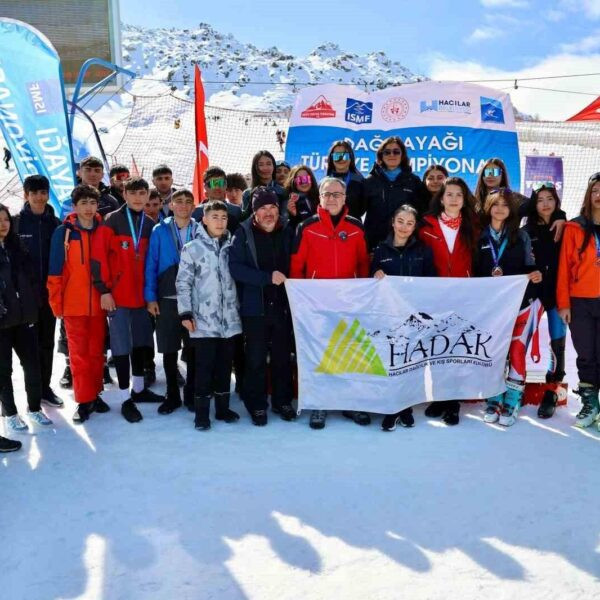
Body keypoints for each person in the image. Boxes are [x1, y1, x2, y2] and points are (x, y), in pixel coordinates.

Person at [290, 177, 370, 429]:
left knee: (349, 351)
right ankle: (318, 404)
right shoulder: (307, 226)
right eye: (327, 194)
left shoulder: (356, 227)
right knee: (318, 353)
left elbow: (363, 264)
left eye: (338, 194)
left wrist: (363, 295)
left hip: (348, 302)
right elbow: (296, 266)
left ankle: (350, 402)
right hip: (316, 304)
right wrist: (301, 299)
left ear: (345, 198)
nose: (332, 198)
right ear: (319, 198)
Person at [91, 176, 164, 423]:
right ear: (124, 194)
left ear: (147, 196)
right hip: (118, 296)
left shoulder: (150, 224)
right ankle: (124, 398)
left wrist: (152, 294)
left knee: (142, 343)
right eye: (132, 193)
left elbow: (153, 262)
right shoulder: (111, 221)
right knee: (121, 346)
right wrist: (104, 290)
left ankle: (139, 389)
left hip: (142, 296)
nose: (137, 198)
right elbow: (98, 258)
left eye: (142, 193)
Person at [475, 187, 543, 427]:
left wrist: (534, 274)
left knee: (515, 350)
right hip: (491, 308)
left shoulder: (520, 236)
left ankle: (512, 399)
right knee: (494, 351)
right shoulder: (479, 236)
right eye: (495, 204)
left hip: (519, 303)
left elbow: (530, 266)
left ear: (511, 210)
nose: (500, 209)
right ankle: (494, 398)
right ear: (488, 208)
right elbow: (474, 272)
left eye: (505, 205)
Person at [229, 187, 296, 426]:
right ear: (255, 212)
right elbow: (235, 267)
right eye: (263, 208)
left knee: (281, 356)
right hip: (254, 307)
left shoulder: (288, 230)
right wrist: (266, 278)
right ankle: (256, 403)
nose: (268, 213)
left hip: (282, 306)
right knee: (255, 358)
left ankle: (282, 400)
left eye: (273, 208)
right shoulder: (243, 232)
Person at [418, 177, 479, 425]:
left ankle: (453, 400)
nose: (453, 199)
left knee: (456, 347)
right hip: (434, 294)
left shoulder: (473, 226)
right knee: (436, 346)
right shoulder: (426, 225)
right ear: (441, 198)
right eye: (449, 194)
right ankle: (439, 396)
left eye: (459, 195)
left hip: (462, 294)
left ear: (465, 200)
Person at [176, 200, 242, 430]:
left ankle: (222, 409)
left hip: (229, 320)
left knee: (224, 366)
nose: (220, 222)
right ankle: (201, 414)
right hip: (203, 320)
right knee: (203, 368)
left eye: (223, 217)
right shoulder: (192, 248)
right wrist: (185, 312)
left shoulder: (233, 246)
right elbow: (183, 282)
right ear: (204, 219)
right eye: (214, 217)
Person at [47, 185, 110, 423]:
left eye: (92, 203)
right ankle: (84, 400)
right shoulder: (63, 233)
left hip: (99, 304)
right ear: (74, 207)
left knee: (97, 353)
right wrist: (57, 305)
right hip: (74, 305)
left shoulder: (102, 231)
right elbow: (54, 273)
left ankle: (95, 394)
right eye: (83, 203)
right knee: (79, 355)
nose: (88, 208)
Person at [371, 205, 437, 430]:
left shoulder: (423, 250)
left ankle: (407, 406)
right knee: (392, 362)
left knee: (412, 363)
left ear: (415, 226)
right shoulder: (380, 250)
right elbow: (369, 279)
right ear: (393, 221)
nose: (404, 227)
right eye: (400, 221)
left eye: (410, 223)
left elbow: (431, 281)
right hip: (389, 316)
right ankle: (392, 407)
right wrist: (375, 274)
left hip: (415, 316)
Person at [0, 203, 53, 432]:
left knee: (32, 365)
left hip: (25, 318)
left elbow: (31, 280)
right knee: (3, 371)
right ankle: (10, 413)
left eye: (5, 220)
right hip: (2, 323)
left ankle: (34, 408)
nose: (2, 225)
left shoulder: (17, 246)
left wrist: (35, 304)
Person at [145, 189, 197, 415]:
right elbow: (151, 264)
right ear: (171, 206)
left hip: (194, 300)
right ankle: (172, 394)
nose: (183, 205)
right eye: (179, 202)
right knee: (168, 349)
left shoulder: (200, 229)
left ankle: (192, 393)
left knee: (193, 349)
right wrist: (150, 297)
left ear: (193, 206)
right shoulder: (160, 230)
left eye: (188, 202)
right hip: (166, 298)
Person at [14, 175, 63, 408]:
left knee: (47, 343)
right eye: (34, 193)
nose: (39, 197)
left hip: (50, 295)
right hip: (24, 298)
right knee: (28, 347)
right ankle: (32, 391)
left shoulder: (55, 224)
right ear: (26, 195)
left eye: (43, 192)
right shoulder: (15, 224)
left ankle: (45, 387)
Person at [557, 173, 600, 430]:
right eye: (595, 190)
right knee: (586, 354)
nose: (599, 194)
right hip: (581, 301)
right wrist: (564, 303)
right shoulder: (575, 227)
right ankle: (590, 402)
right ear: (589, 195)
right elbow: (564, 267)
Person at [523, 182, 567, 418]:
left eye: (550, 199)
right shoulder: (526, 229)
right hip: (531, 293)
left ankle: (551, 390)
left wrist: (561, 216)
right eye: (540, 200)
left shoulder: (565, 227)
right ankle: (512, 385)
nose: (546, 204)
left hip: (557, 294)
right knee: (520, 342)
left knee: (557, 344)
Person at [363, 136, 429, 250]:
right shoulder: (370, 181)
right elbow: (357, 210)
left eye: (396, 152)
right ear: (381, 156)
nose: (391, 155)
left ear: (402, 155)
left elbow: (422, 212)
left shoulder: (413, 181)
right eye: (387, 152)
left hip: (406, 245)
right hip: (375, 245)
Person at [192, 166, 242, 234]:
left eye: (220, 183)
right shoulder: (196, 212)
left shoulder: (236, 211)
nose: (217, 187)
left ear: (225, 185)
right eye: (214, 183)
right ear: (205, 187)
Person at [325, 140, 366, 219]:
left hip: (353, 226)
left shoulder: (360, 181)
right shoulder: (324, 182)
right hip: (329, 228)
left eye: (345, 156)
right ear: (331, 158)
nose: (341, 159)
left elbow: (362, 208)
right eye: (337, 156)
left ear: (351, 158)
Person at [241, 151, 288, 220]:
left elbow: (284, 219)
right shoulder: (247, 194)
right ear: (255, 168)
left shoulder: (283, 192)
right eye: (261, 165)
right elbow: (244, 220)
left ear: (273, 166)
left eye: (269, 164)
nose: (265, 168)